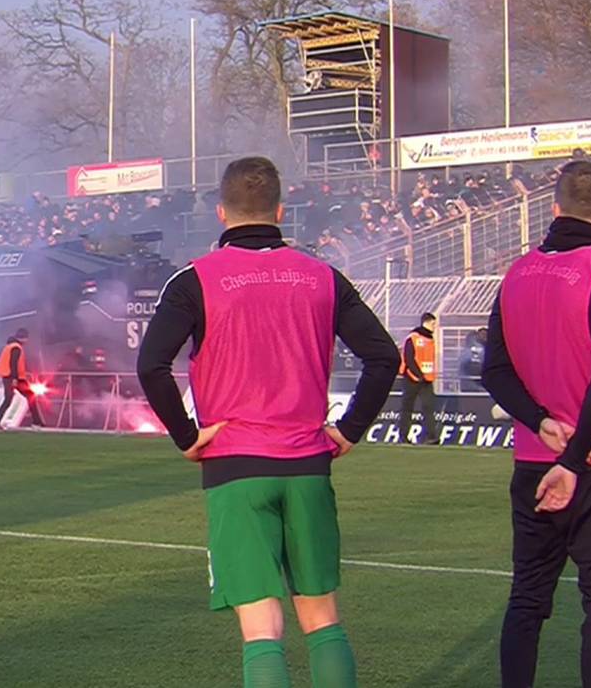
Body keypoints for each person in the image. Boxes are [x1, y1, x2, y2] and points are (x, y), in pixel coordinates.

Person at [137, 156, 398, 688]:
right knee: (322, 619)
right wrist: (349, 429)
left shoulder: (194, 281)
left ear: (221, 213)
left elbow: (151, 365)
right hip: (307, 464)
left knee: (262, 630)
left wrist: (186, 437)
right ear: (281, 211)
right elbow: (384, 357)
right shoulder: (322, 275)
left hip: (235, 468)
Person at [481, 160, 591, 688]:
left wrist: (541, 420)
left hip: (534, 462)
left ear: (553, 209)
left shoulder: (516, 272)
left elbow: (494, 372)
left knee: (527, 599)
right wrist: (573, 459)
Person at [0, 328, 46, 430]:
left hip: (10, 377)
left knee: (14, 398)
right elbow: (13, 364)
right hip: (14, 377)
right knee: (25, 397)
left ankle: (37, 421)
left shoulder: (10, 346)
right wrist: (15, 379)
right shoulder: (16, 348)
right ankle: (36, 422)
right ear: (24, 338)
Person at [398, 313, 440, 445]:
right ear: (425, 323)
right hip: (412, 378)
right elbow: (409, 359)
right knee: (407, 408)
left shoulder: (430, 339)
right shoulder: (413, 338)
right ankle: (404, 436)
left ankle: (432, 437)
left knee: (429, 407)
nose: (435, 327)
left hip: (426, 380)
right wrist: (418, 375)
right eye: (433, 324)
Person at [459, 327, 488, 392]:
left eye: (486, 335)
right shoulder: (472, 350)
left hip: (479, 387)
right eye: (483, 335)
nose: (484, 338)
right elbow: (473, 367)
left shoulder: (486, 349)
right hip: (470, 388)